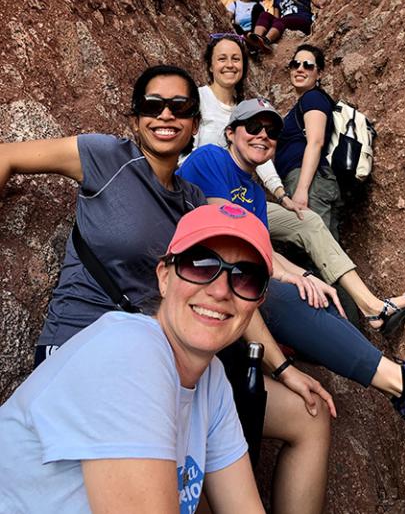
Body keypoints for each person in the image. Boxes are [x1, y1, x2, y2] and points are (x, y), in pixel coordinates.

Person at [0, 65, 334, 514]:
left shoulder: (193, 201)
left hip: (170, 354)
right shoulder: (105, 157)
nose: (166, 115)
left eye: (181, 107)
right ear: (135, 117)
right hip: (84, 345)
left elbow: (231, 275)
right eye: (152, 106)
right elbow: (8, 155)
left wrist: (283, 366)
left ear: (196, 124)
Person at [178, 98, 405, 439]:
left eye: (272, 130)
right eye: (253, 127)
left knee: (316, 296)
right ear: (231, 133)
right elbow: (234, 239)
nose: (263, 135)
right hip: (194, 276)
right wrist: (287, 276)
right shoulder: (212, 159)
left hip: (221, 277)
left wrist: (305, 276)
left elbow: (257, 246)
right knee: (274, 294)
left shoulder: (254, 192)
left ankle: (404, 391)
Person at [0, 204, 273, 513]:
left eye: (245, 278)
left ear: (257, 302)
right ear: (164, 277)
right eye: (200, 265)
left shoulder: (212, 380)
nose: (221, 290)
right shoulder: (129, 350)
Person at [195, 34, 405, 336]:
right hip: (204, 199)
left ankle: (370, 307)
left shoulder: (247, 109)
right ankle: (325, 329)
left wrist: (281, 195)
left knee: (309, 221)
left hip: (245, 200)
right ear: (209, 64)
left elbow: (263, 160)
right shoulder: (198, 99)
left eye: (236, 58)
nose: (229, 64)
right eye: (222, 58)